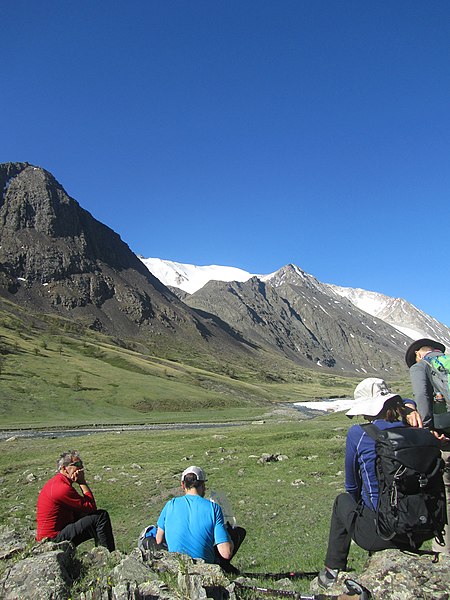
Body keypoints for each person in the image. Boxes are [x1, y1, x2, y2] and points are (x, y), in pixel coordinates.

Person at [318, 378, 429, 589]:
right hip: (419, 529)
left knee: (342, 501)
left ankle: (332, 570)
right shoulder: (414, 427)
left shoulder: (358, 434)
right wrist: (408, 407)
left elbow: (352, 486)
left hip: (380, 534)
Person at [155, 466, 246, 574]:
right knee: (238, 532)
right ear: (203, 485)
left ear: (183, 485)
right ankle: (225, 570)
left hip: (177, 565)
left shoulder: (170, 504)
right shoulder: (213, 508)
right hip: (204, 567)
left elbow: (158, 539)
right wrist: (227, 536)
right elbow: (225, 553)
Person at [406, 337, 450, 554]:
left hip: (445, 438)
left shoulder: (420, 366)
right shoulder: (447, 362)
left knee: (445, 492)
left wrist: (427, 431)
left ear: (418, 354)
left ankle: (443, 551)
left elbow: (422, 396)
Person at [36, 450, 115, 551]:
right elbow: (91, 507)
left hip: (51, 535)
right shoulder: (62, 488)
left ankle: (102, 551)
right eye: (77, 464)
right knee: (101, 517)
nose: (81, 468)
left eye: (81, 464)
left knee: (86, 516)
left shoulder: (57, 482)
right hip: (52, 539)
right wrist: (82, 482)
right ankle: (108, 555)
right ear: (64, 468)